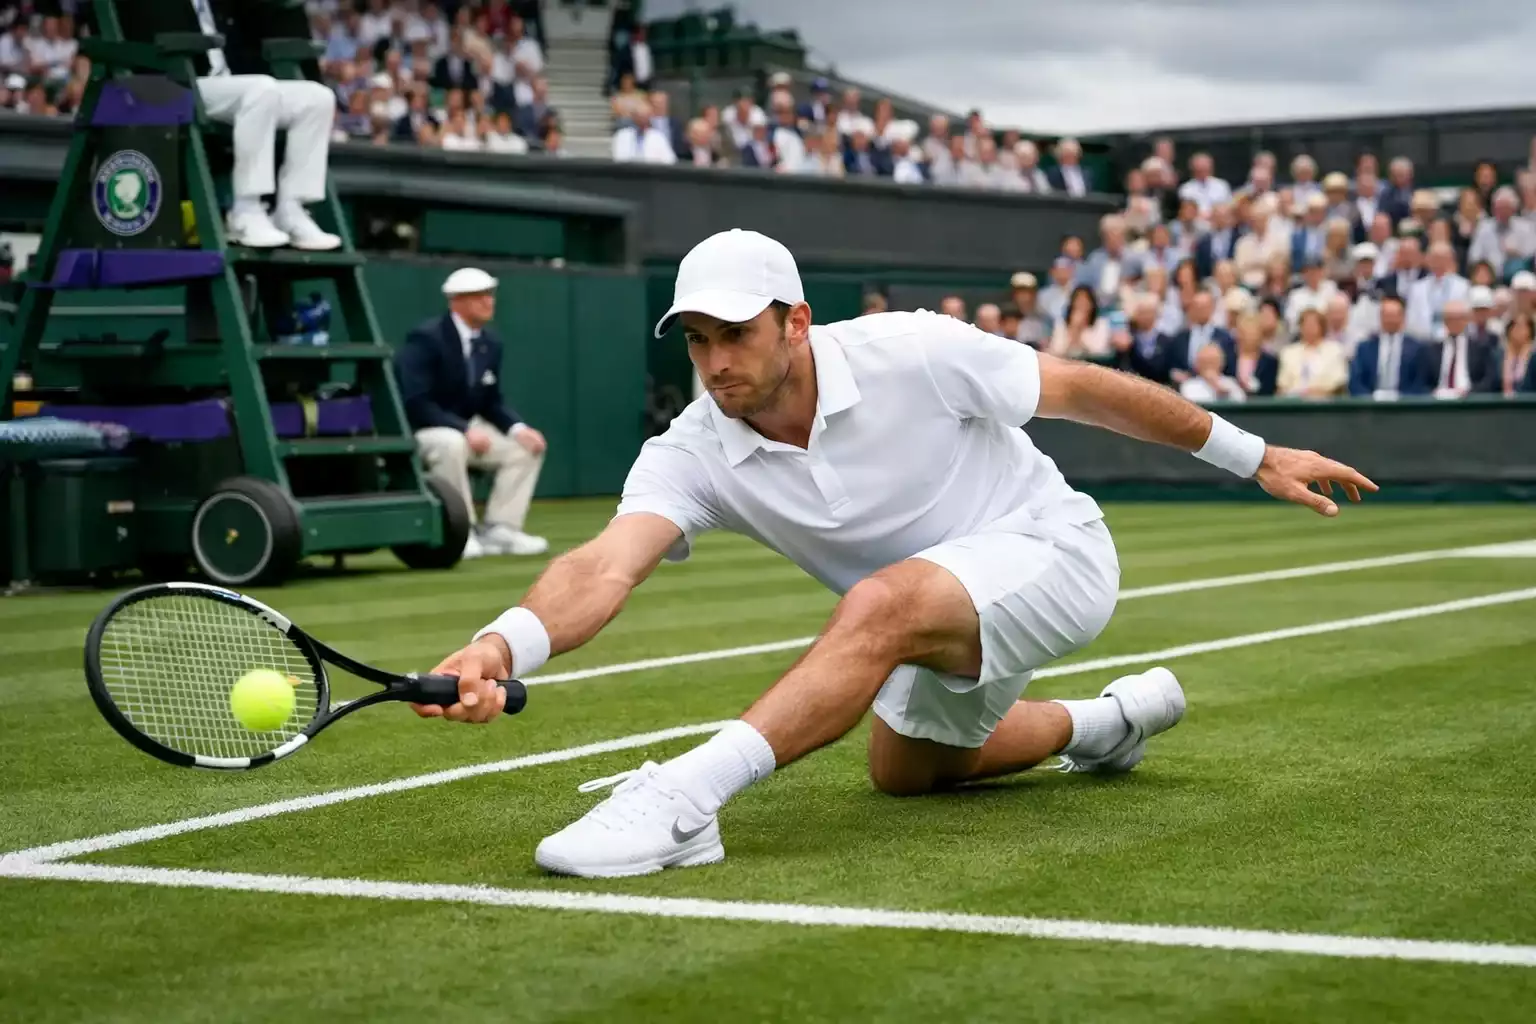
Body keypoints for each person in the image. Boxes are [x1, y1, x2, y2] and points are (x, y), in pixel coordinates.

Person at [414, 229, 1376, 879]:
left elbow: (1083, 388)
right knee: (907, 773)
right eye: (697, 342)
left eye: (736, 335)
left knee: (877, 604)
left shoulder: (908, 349)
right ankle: (1104, 724)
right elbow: (604, 565)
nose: (714, 364)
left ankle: (685, 804)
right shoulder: (693, 447)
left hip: (1054, 555)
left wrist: (1255, 455)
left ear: (795, 321)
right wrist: (500, 648)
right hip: (933, 613)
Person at [394, 268, 550, 560]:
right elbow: (415, 401)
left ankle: (502, 528)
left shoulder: (490, 343)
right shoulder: (425, 339)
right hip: (422, 429)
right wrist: (463, 429)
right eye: (480, 296)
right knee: (452, 443)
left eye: (490, 295)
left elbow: (491, 401)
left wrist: (518, 428)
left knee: (526, 448)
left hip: (467, 429)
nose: (489, 302)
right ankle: (461, 531)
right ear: (457, 302)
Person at [186, 0, 341, 250]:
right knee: (261, 89)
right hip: (186, 82)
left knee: (318, 98)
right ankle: (245, 210)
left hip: (229, 85)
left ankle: (291, 209)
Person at [1277, 308, 1349, 399]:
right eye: (1305, 324)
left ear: (1322, 326)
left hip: (1325, 404)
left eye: (1313, 324)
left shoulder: (1335, 350)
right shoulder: (1288, 352)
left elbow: (1339, 384)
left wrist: (1318, 393)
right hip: (1294, 404)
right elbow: (1282, 386)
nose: (1309, 327)